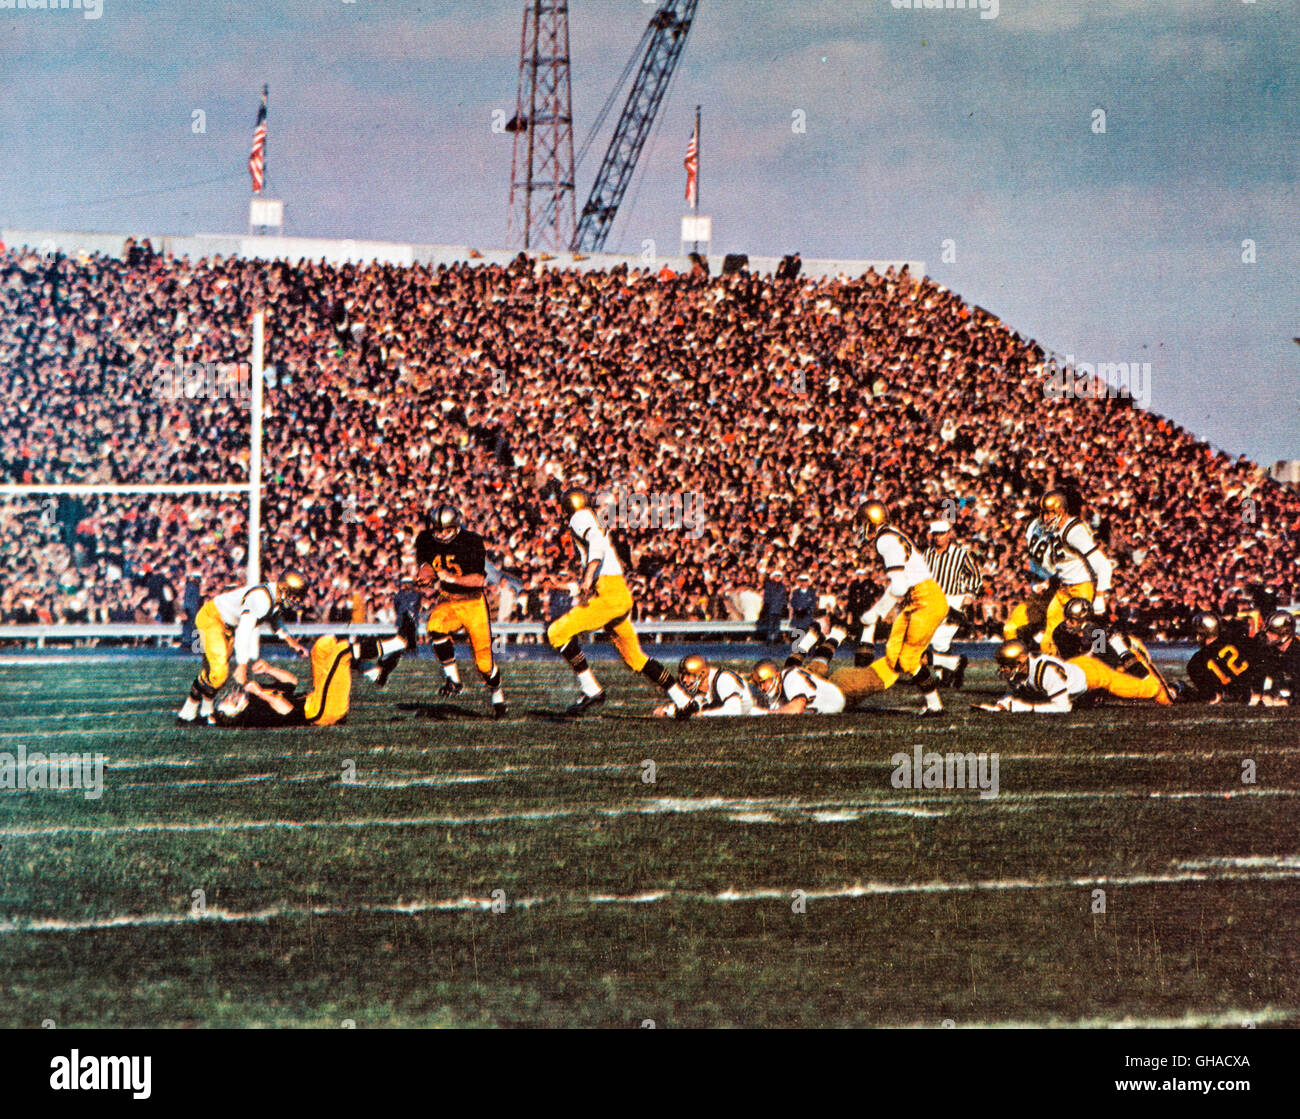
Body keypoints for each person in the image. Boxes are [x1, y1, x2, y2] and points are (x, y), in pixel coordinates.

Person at [547, 488, 693, 718]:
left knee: (556, 632)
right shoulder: (592, 518)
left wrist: (585, 578)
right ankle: (683, 700)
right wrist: (571, 586)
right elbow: (600, 565)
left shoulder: (580, 517)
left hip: (610, 596)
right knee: (635, 658)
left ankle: (591, 689)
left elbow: (595, 547)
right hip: (616, 594)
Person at [177, 572, 309, 725]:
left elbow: (274, 618)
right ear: (284, 590)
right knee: (219, 674)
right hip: (212, 619)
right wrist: (242, 665)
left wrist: (290, 641)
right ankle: (192, 714)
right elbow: (244, 630)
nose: (297, 600)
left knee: (213, 673)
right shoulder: (261, 598)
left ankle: (197, 713)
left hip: (224, 624)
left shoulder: (273, 597)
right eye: (295, 596)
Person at [414, 503, 507, 718]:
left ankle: (497, 695)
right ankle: (454, 680)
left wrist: (452, 578)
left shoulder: (471, 541)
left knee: (484, 665)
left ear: (456, 526)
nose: (442, 534)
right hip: (448, 601)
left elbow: (479, 580)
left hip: (473, 604)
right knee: (434, 625)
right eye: (438, 530)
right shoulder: (426, 539)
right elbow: (427, 565)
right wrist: (424, 576)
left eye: (447, 529)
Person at [922, 518, 982, 688]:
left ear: (949, 535)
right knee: (932, 639)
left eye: (941, 534)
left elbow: (975, 575)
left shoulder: (960, 554)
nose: (937, 538)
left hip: (953, 599)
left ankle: (946, 675)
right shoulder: (927, 554)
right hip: (933, 599)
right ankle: (951, 668)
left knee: (942, 638)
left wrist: (970, 594)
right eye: (935, 534)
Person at [653, 653, 754, 717]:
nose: (684, 680)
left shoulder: (723, 679)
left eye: (689, 675)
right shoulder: (700, 683)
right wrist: (667, 711)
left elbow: (734, 711)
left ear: (702, 674)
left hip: (754, 708)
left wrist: (703, 714)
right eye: (682, 675)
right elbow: (692, 706)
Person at [749, 658, 846, 715]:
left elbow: (796, 708)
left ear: (774, 677)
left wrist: (764, 713)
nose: (761, 688)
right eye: (758, 685)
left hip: (832, 700)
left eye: (763, 682)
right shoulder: (779, 689)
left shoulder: (791, 677)